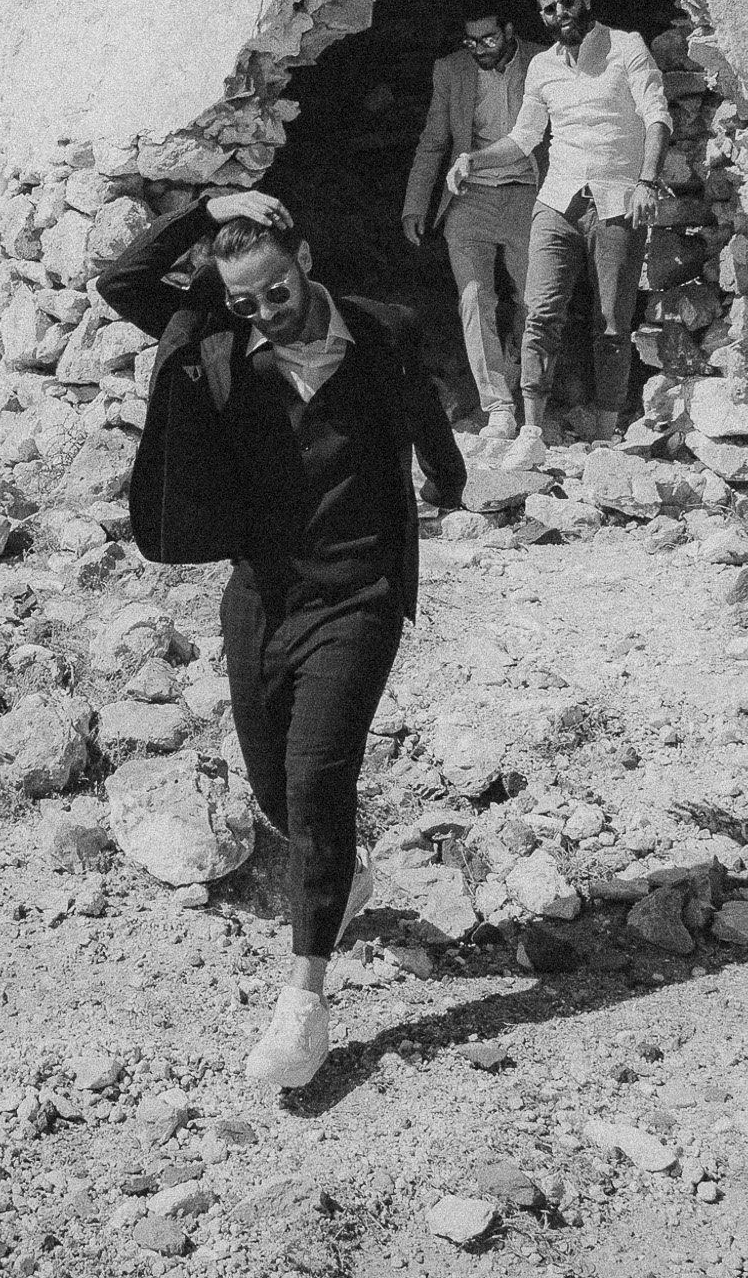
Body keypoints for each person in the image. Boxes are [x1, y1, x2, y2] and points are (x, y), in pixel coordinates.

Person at [96, 188, 465, 1091]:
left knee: (315, 777)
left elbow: (421, 410)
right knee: (277, 794)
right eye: (244, 299)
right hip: (261, 594)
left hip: (360, 593)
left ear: (302, 260)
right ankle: (341, 877)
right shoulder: (216, 341)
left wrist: (448, 481)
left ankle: (304, 1002)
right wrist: (205, 209)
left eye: (275, 290)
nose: (264, 309)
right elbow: (124, 281)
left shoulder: (380, 330)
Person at [445, 0, 672, 466]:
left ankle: (606, 432)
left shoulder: (625, 46)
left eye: (567, 2)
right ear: (541, 16)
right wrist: (472, 160)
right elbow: (524, 137)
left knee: (612, 322)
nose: (560, 14)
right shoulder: (543, 66)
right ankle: (531, 430)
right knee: (540, 313)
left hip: (617, 199)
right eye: (550, 8)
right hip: (557, 201)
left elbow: (657, 115)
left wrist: (647, 182)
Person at [401, 0, 546, 440]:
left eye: (488, 38)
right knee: (475, 299)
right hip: (467, 198)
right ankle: (497, 406)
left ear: (508, 31)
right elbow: (433, 141)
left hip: (527, 194)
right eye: (471, 41)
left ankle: (528, 387)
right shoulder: (451, 70)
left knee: (534, 301)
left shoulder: (543, 61)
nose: (479, 48)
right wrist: (415, 204)